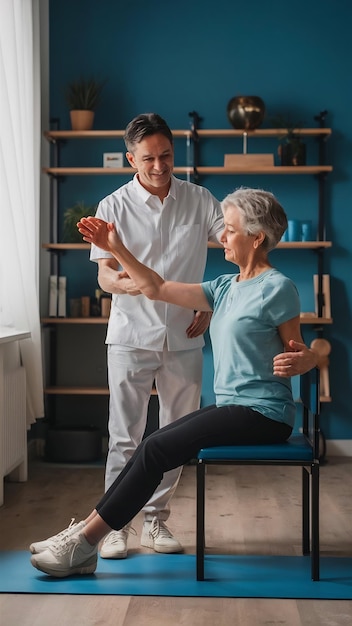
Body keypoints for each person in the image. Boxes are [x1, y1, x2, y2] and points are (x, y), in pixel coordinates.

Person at [30, 187, 318, 578]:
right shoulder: (224, 287)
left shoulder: (277, 288)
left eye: (230, 230)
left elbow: (304, 347)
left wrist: (312, 358)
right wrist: (115, 247)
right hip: (233, 406)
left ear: (257, 238)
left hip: (266, 413)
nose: (221, 237)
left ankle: (83, 545)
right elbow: (155, 287)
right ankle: (84, 534)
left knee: (156, 447)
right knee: (152, 443)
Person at [88, 114, 224, 558]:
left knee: (176, 436)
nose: (160, 166)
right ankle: (114, 525)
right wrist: (138, 287)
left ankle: (155, 521)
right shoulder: (113, 206)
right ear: (131, 158)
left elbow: (240, 245)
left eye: (166, 155)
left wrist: (210, 299)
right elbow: (106, 277)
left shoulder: (201, 200)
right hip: (129, 333)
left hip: (184, 334)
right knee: (124, 435)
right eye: (149, 158)